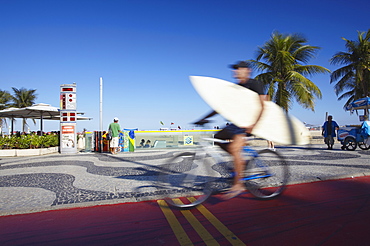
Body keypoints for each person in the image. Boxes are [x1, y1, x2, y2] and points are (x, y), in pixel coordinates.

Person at [193, 61, 267, 200]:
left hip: (249, 123)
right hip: (237, 123)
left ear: (247, 71)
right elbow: (222, 107)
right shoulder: (236, 88)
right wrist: (204, 118)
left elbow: (263, 106)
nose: (235, 72)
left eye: (238, 69)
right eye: (235, 70)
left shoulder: (255, 84)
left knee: (234, 147)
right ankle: (240, 161)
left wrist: (254, 125)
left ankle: (238, 185)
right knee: (217, 139)